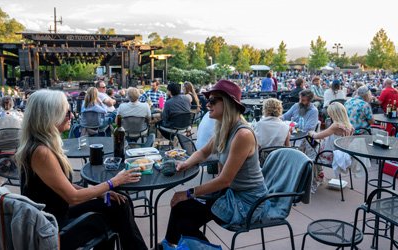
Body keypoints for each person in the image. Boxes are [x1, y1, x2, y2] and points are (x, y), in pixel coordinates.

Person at [15, 89, 147, 250]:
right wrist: (114, 182)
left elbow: (64, 187)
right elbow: (73, 197)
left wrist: (101, 192)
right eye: (66, 113)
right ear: (49, 117)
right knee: (112, 213)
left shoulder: (40, 146)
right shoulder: (41, 152)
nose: (71, 116)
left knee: (120, 203)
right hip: (53, 227)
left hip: (59, 213)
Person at [161, 80, 268, 247]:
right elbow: (204, 152)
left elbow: (224, 180)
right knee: (180, 209)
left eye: (213, 101)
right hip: (230, 193)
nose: (207, 104)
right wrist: (185, 164)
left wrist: (188, 193)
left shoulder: (243, 135)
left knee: (183, 215)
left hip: (248, 202)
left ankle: (169, 245)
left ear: (228, 103)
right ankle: (168, 244)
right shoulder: (223, 128)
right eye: (208, 100)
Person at [307, 102, 354, 190]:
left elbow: (318, 136)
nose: (329, 116)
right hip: (344, 154)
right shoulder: (349, 126)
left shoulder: (336, 125)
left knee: (311, 155)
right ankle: (320, 176)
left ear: (333, 114)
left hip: (332, 155)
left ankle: (315, 179)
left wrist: (311, 133)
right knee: (316, 148)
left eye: (330, 114)